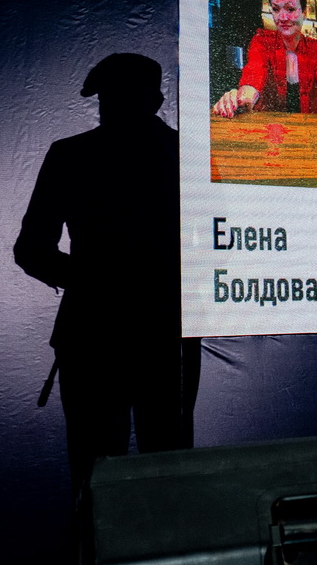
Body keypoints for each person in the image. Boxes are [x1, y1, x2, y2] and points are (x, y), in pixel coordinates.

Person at [14, 54, 199, 490]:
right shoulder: (187, 156)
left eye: (115, 97)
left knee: (98, 479)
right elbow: (31, 250)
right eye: (112, 98)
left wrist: (90, 281)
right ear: (157, 101)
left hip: (100, 335)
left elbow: (31, 250)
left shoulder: (71, 155)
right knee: (166, 477)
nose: (113, 107)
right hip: (158, 334)